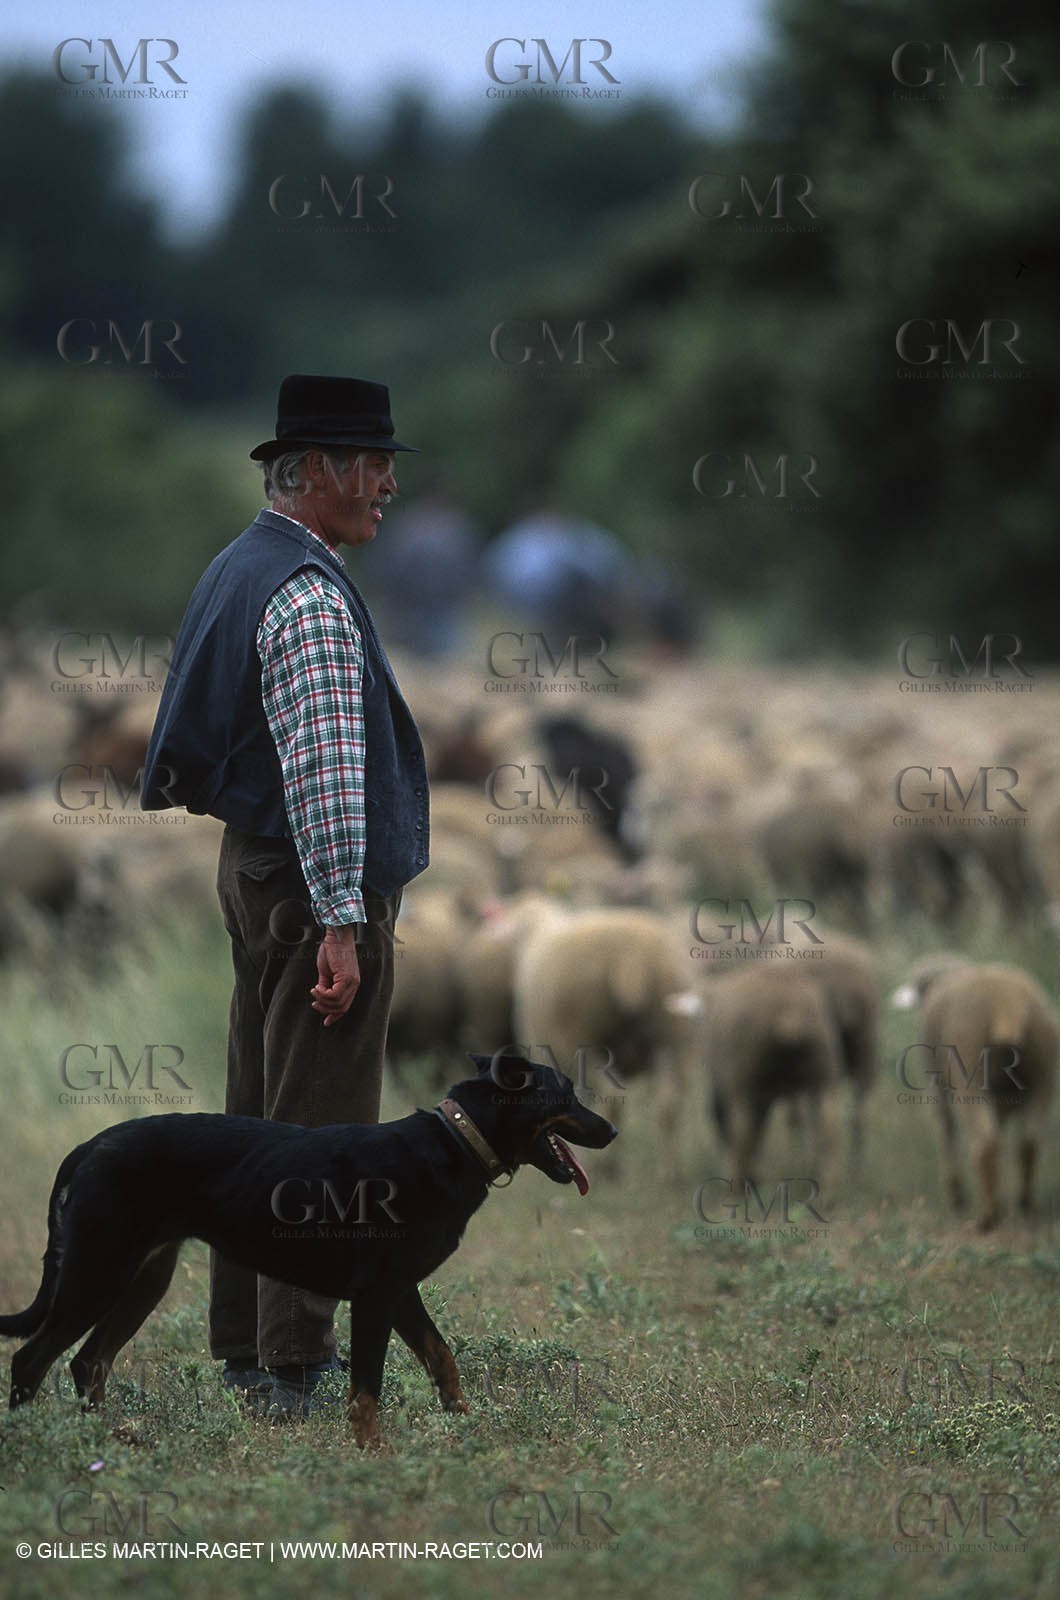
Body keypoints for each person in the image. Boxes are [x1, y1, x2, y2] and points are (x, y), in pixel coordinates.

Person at [140, 374, 429, 1417]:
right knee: (319, 1128)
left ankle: (247, 1348)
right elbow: (324, 768)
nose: (388, 484)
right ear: (313, 476)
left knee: (256, 1117)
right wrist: (344, 919)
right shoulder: (305, 592)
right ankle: (295, 1367)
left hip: (256, 864)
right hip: (310, 883)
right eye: (372, 465)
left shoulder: (243, 563)